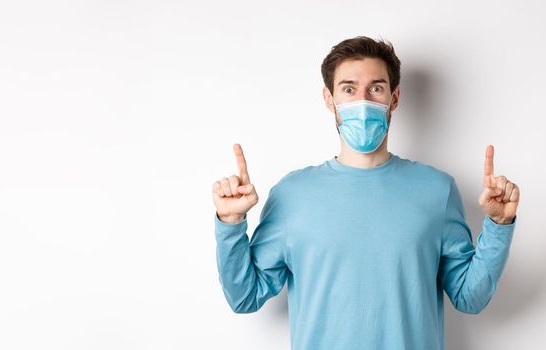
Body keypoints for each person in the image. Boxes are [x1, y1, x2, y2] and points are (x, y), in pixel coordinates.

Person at [211, 36, 520, 350]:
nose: (363, 100)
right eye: (348, 89)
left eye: (376, 88)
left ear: (394, 98)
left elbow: (470, 298)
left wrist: (499, 226)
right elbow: (244, 297)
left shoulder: (437, 190)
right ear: (329, 100)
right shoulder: (292, 194)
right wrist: (230, 222)